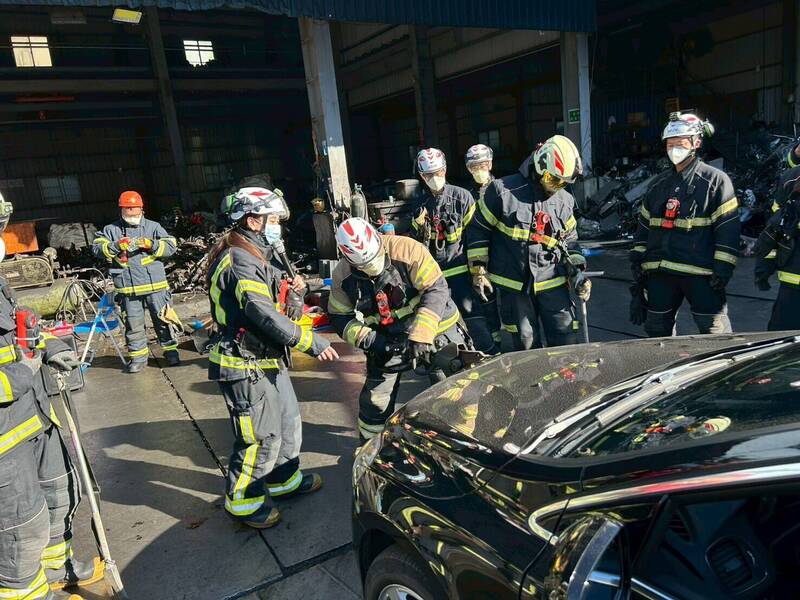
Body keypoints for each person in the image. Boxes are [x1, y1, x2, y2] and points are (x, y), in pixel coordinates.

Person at [205, 187, 338, 529]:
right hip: (243, 362)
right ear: (253, 220)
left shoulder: (261, 252)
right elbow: (260, 313)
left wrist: (295, 293)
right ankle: (243, 501)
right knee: (259, 436)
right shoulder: (239, 260)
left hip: (267, 357)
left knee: (288, 421)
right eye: (274, 219)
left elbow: (279, 300)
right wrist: (310, 341)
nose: (278, 226)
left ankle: (283, 480)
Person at [0, 193, 96, 600]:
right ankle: (30, 593)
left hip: (35, 417)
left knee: (61, 496)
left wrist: (49, 347)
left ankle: (57, 568)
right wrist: (26, 371)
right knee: (22, 530)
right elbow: (16, 367)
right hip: (5, 441)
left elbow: (19, 336)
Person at [328, 218, 465, 442]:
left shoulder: (408, 250)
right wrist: (373, 341)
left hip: (436, 330)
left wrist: (421, 335)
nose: (371, 267)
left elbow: (436, 290)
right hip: (386, 340)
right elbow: (339, 316)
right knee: (375, 403)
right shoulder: (343, 276)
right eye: (363, 266)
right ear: (347, 258)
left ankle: (460, 444)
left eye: (373, 259)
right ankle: (373, 448)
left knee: (453, 391)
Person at [466, 135, 590, 350]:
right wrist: (478, 270)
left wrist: (578, 271)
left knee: (565, 337)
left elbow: (570, 242)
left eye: (563, 183)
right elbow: (478, 229)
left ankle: (566, 384)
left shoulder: (564, 200)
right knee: (526, 343)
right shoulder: (502, 191)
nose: (556, 187)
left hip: (553, 282)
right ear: (539, 166)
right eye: (553, 180)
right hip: (515, 286)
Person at [630, 113, 740, 337]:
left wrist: (723, 268)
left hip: (701, 275)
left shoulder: (715, 181)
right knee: (657, 334)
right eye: (670, 144)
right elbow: (644, 229)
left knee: (715, 335)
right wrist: (638, 265)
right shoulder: (658, 185)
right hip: (660, 274)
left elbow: (727, 229)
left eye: (680, 144)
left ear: (696, 143)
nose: (674, 149)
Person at [410, 148, 498, 354]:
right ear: (422, 176)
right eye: (429, 175)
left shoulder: (462, 197)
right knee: (443, 322)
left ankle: (490, 353)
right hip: (435, 277)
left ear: (445, 170)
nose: (435, 178)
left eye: (439, 172)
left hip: (461, 273)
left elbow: (476, 237)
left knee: (473, 317)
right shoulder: (419, 205)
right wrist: (418, 226)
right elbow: (416, 246)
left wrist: (478, 272)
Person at [92, 191, 179, 373]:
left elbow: (171, 246)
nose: (131, 213)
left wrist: (151, 244)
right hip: (128, 288)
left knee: (163, 320)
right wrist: (115, 246)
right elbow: (97, 248)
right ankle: (138, 358)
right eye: (127, 209)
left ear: (141, 208)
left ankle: (171, 353)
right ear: (121, 210)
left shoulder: (153, 227)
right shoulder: (111, 230)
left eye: (134, 209)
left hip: (155, 286)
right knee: (133, 324)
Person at [464, 143, 502, 349]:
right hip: (480, 259)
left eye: (483, 164)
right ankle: (494, 339)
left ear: (490, 164)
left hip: (503, 255)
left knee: (513, 303)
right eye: (474, 166)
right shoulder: (467, 196)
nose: (480, 170)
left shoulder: (503, 190)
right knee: (486, 298)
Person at [753, 165, 800, 330]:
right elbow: (774, 230)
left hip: (792, 281)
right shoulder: (792, 177)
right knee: (782, 341)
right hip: (792, 281)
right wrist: (764, 267)